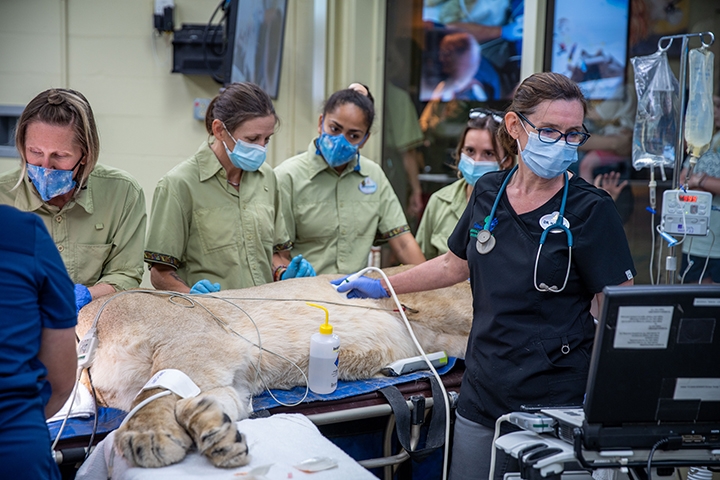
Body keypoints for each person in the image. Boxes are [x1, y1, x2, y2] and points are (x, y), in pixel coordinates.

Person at [333, 72, 636, 480]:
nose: (563, 144)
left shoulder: (591, 210)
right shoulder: (489, 192)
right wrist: (381, 283)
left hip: (554, 398)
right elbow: (451, 265)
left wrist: (610, 399)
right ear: (515, 126)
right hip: (484, 388)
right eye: (549, 131)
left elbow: (621, 312)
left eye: (573, 134)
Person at [144, 82, 313, 293]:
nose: (261, 148)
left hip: (263, 312)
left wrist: (283, 272)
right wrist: (193, 296)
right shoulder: (179, 185)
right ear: (219, 130)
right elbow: (160, 273)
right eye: (252, 139)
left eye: (266, 139)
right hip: (208, 317)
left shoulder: (267, 178)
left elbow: (276, 253)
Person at [0, 88, 146, 313]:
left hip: (91, 324)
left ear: (85, 155)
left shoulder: (123, 193)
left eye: (60, 156)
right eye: (35, 152)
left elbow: (125, 275)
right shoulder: (3, 196)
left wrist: (87, 294)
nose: (46, 167)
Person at [274, 87, 426, 274]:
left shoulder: (373, 175)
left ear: (365, 139)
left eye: (353, 135)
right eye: (335, 128)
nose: (341, 140)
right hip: (305, 294)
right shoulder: (287, 176)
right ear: (321, 122)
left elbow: (402, 242)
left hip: (356, 294)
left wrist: (433, 286)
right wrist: (286, 274)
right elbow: (277, 253)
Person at [0, 205, 77, 479]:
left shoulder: (121, 193)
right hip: (13, 443)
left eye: (61, 157)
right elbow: (59, 382)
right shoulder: (20, 231)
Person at [416, 108, 513, 259]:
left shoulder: (517, 206)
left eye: (488, 153)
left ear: (506, 161)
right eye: (470, 151)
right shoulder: (440, 201)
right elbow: (421, 261)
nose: (476, 161)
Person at [679, 95, 720, 284]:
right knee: (693, 301)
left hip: (717, 242)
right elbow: (682, 182)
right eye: (713, 107)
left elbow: (693, 179)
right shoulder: (702, 143)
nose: (716, 112)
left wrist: (701, 180)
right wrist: (704, 183)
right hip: (695, 242)